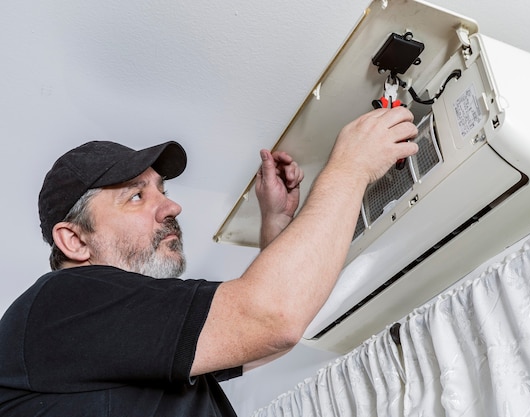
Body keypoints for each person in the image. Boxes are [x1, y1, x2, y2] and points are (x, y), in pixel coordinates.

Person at [0, 106, 418, 416]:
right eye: (136, 195)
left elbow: (257, 344)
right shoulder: (64, 304)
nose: (172, 206)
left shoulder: (105, 341)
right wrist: (350, 167)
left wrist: (275, 222)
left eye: (161, 190)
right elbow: (271, 320)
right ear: (74, 240)